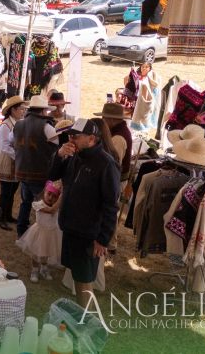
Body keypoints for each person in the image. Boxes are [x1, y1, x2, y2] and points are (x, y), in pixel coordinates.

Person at [50, 118, 120, 308]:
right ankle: (82, 315)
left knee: (84, 280)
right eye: (70, 135)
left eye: (76, 136)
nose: (71, 139)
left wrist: (103, 239)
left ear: (91, 139)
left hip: (87, 233)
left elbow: (111, 205)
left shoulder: (106, 164)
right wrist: (59, 155)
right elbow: (52, 175)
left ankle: (85, 320)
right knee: (77, 276)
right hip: (70, 226)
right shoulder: (73, 155)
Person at [13, 94, 58, 237]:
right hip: (39, 174)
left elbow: (13, 143)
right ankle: (39, 236)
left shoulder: (18, 124)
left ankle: (21, 231)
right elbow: (57, 148)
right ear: (44, 110)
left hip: (22, 171)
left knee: (25, 203)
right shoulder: (47, 127)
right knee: (41, 206)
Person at [94, 102, 133, 252]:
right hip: (116, 178)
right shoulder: (118, 132)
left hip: (116, 180)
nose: (103, 121)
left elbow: (113, 163)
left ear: (111, 119)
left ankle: (110, 243)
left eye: (104, 118)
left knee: (109, 211)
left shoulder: (118, 138)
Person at [15, 181, 62, 283]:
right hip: (39, 233)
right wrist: (62, 196)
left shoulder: (57, 207)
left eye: (54, 196)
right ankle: (35, 270)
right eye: (49, 194)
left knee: (46, 252)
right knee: (36, 253)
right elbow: (51, 210)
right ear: (44, 192)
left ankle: (43, 268)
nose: (50, 198)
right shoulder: (38, 205)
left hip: (51, 234)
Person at [0, 96, 27, 230]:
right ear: (13, 110)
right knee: (6, 192)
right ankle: (0, 218)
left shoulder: (18, 123)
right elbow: (4, 146)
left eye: (24, 109)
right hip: (7, 162)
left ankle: (7, 215)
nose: (23, 111)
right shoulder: (6, 125)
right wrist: (18, 156)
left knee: (12, 190)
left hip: (16, 161)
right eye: (21, 109)